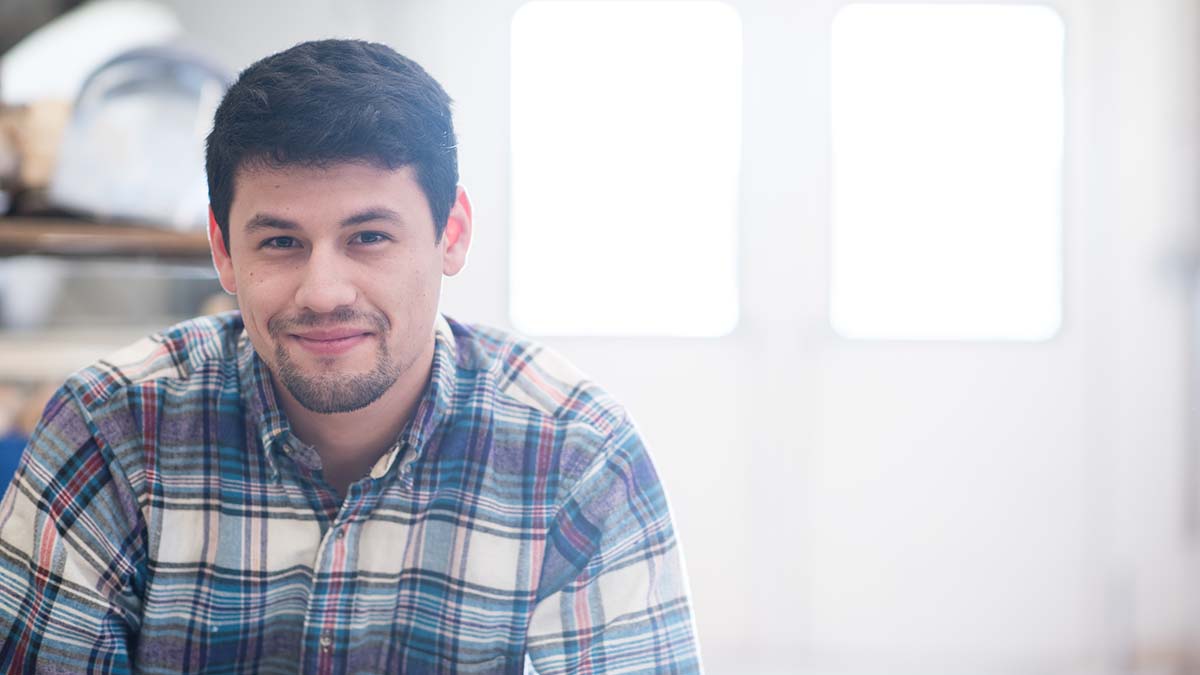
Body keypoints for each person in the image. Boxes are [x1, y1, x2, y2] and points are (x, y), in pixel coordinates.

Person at [0, 39, 700, 673]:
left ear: (451, 232)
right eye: (280, 242)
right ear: (223, 249)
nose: (324, 292)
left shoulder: (579, 455)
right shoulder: (109, 429)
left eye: (368, 237)